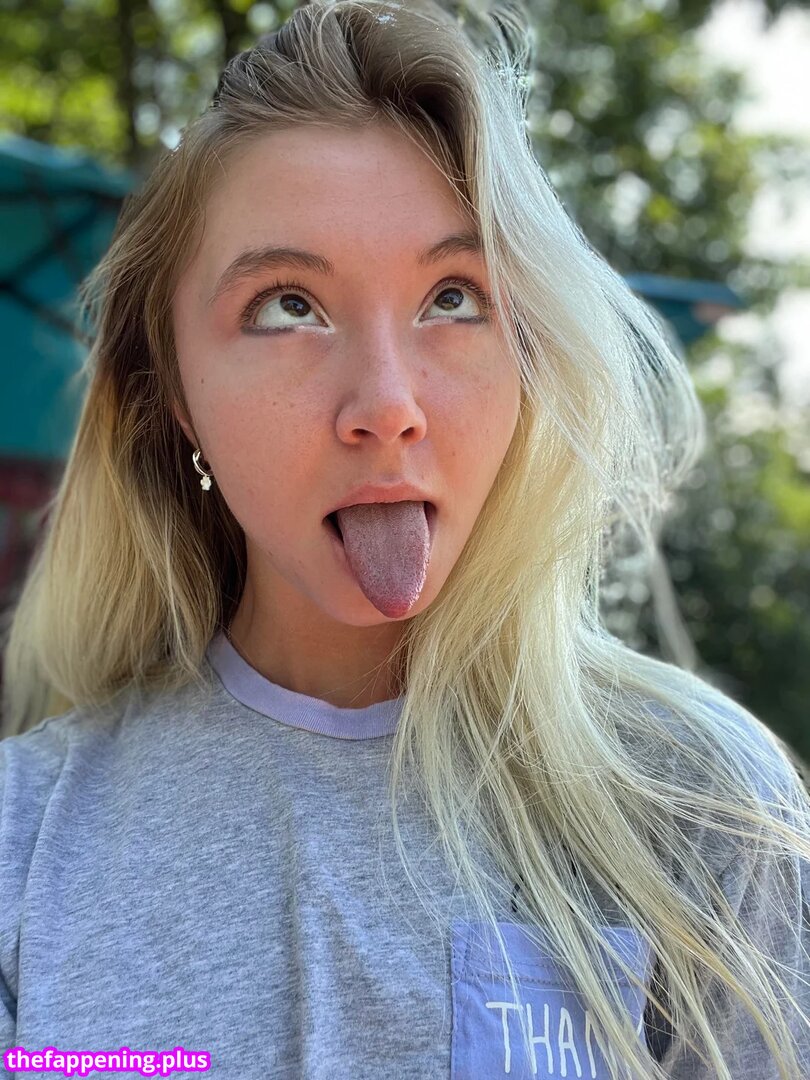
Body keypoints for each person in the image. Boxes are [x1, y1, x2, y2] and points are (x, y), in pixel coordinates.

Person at [1, 1, 808, 1077]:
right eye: (288, 306)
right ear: (174, 392)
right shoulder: (25, 841)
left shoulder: (701, 805)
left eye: (454, 297)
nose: (386, 405)